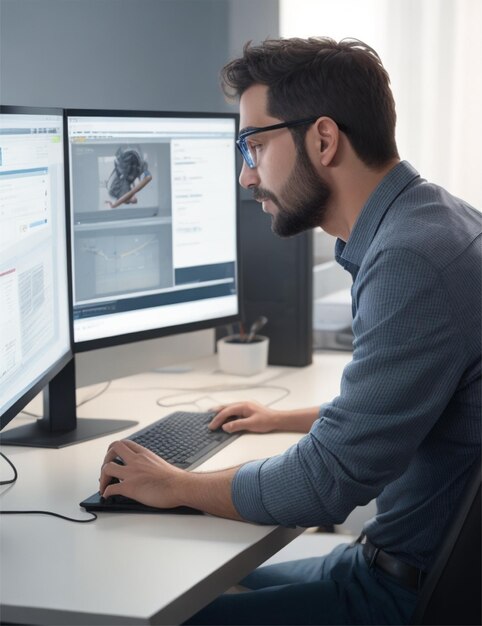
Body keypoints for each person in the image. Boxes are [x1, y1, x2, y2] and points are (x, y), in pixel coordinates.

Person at [99, 37, 481, 625]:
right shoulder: (430, 219)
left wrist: (176, 484)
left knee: (158, 608)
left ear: (323, 139)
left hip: (403, 596)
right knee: (204, 568)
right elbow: (411, 402)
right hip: (383, 562)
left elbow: (324, 483)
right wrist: (286, 418)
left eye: (252, 146)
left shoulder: (412, 260)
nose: (246, 177)